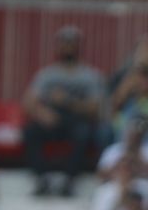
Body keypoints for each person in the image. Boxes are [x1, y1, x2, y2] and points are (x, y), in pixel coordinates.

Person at [22, 26, 105, 197]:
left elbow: (94, 109)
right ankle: (42, 179)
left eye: (71, 43)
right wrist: (40, 112)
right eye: (64, 43)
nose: (67, 47)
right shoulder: (47, 74)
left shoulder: (90, 75)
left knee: (83, 134)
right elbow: (29, 101)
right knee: (30, 132)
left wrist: (67, 101)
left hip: (77, 119)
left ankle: (69, 180)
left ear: (78, 47)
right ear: (58, 47)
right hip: (51, 118)